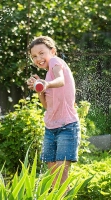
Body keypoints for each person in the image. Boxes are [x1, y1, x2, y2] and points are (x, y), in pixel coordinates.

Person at [26, 36, 80, 187]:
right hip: (50, 128)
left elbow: (61, 80)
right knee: (53, 177)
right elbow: (46, 106)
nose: (38, 58)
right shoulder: (47, 75)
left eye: (42, 53)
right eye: (34, 56)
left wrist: (46, 84)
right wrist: (39, 88)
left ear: (53, 51)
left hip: (67, 127)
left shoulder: (56, 63)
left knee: (62, 173)